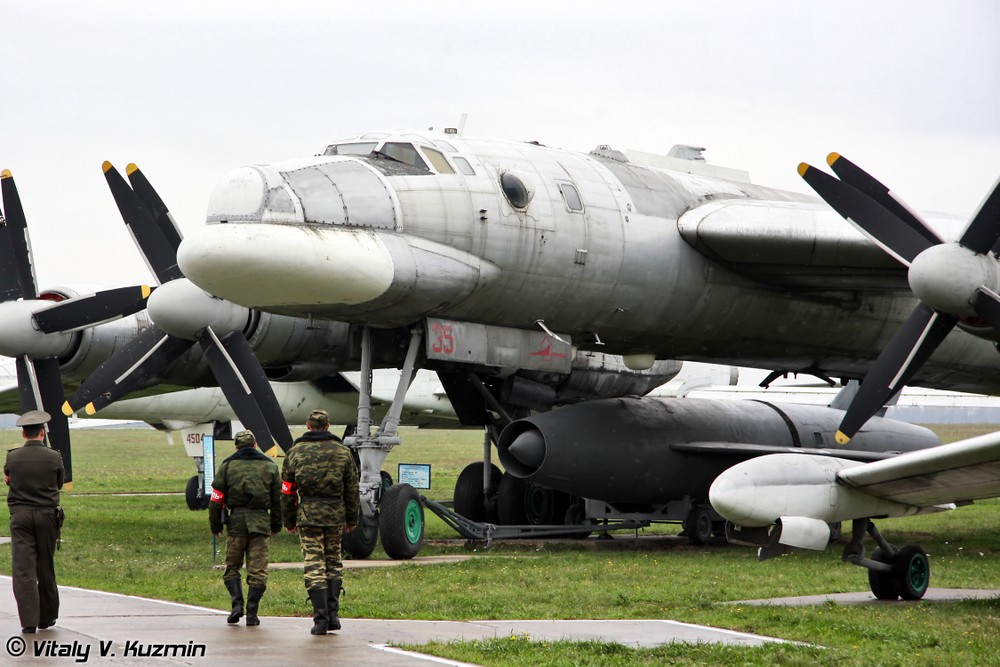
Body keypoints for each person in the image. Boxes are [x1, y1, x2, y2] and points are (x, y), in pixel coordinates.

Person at [281, 410, 359, 635]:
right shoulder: (343, 452)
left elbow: (287, 490)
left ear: (308, 425)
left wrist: (289, 519)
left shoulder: (295, 452)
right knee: (333, 562)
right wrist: (351, 519)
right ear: (327, 426)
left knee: (314, 564)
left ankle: (321, 619)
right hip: (335, 514)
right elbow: (352, 489)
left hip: (308, 515)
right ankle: (333, 615)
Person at [208, 430, 281, 626]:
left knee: (232, 568)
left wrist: (215, 525)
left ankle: (236, 605)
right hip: (260, 523)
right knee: (258, 571)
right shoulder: (270, 466)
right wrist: (275, 525)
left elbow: (216, 499)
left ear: (236, 447)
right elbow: (277, 501)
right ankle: (252, 613)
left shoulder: (227, 466)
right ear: (255, 445)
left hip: (237, 523)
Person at [4, 410, 64, 634]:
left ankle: (28, 620)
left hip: (20, 516)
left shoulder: (12, 457)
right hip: (47, 516)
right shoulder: (54, 457)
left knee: (23, 568)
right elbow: (58, 483)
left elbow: (9, 480)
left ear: (23, 434)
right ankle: (47, 617)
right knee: (45, 566)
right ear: (42, 432)